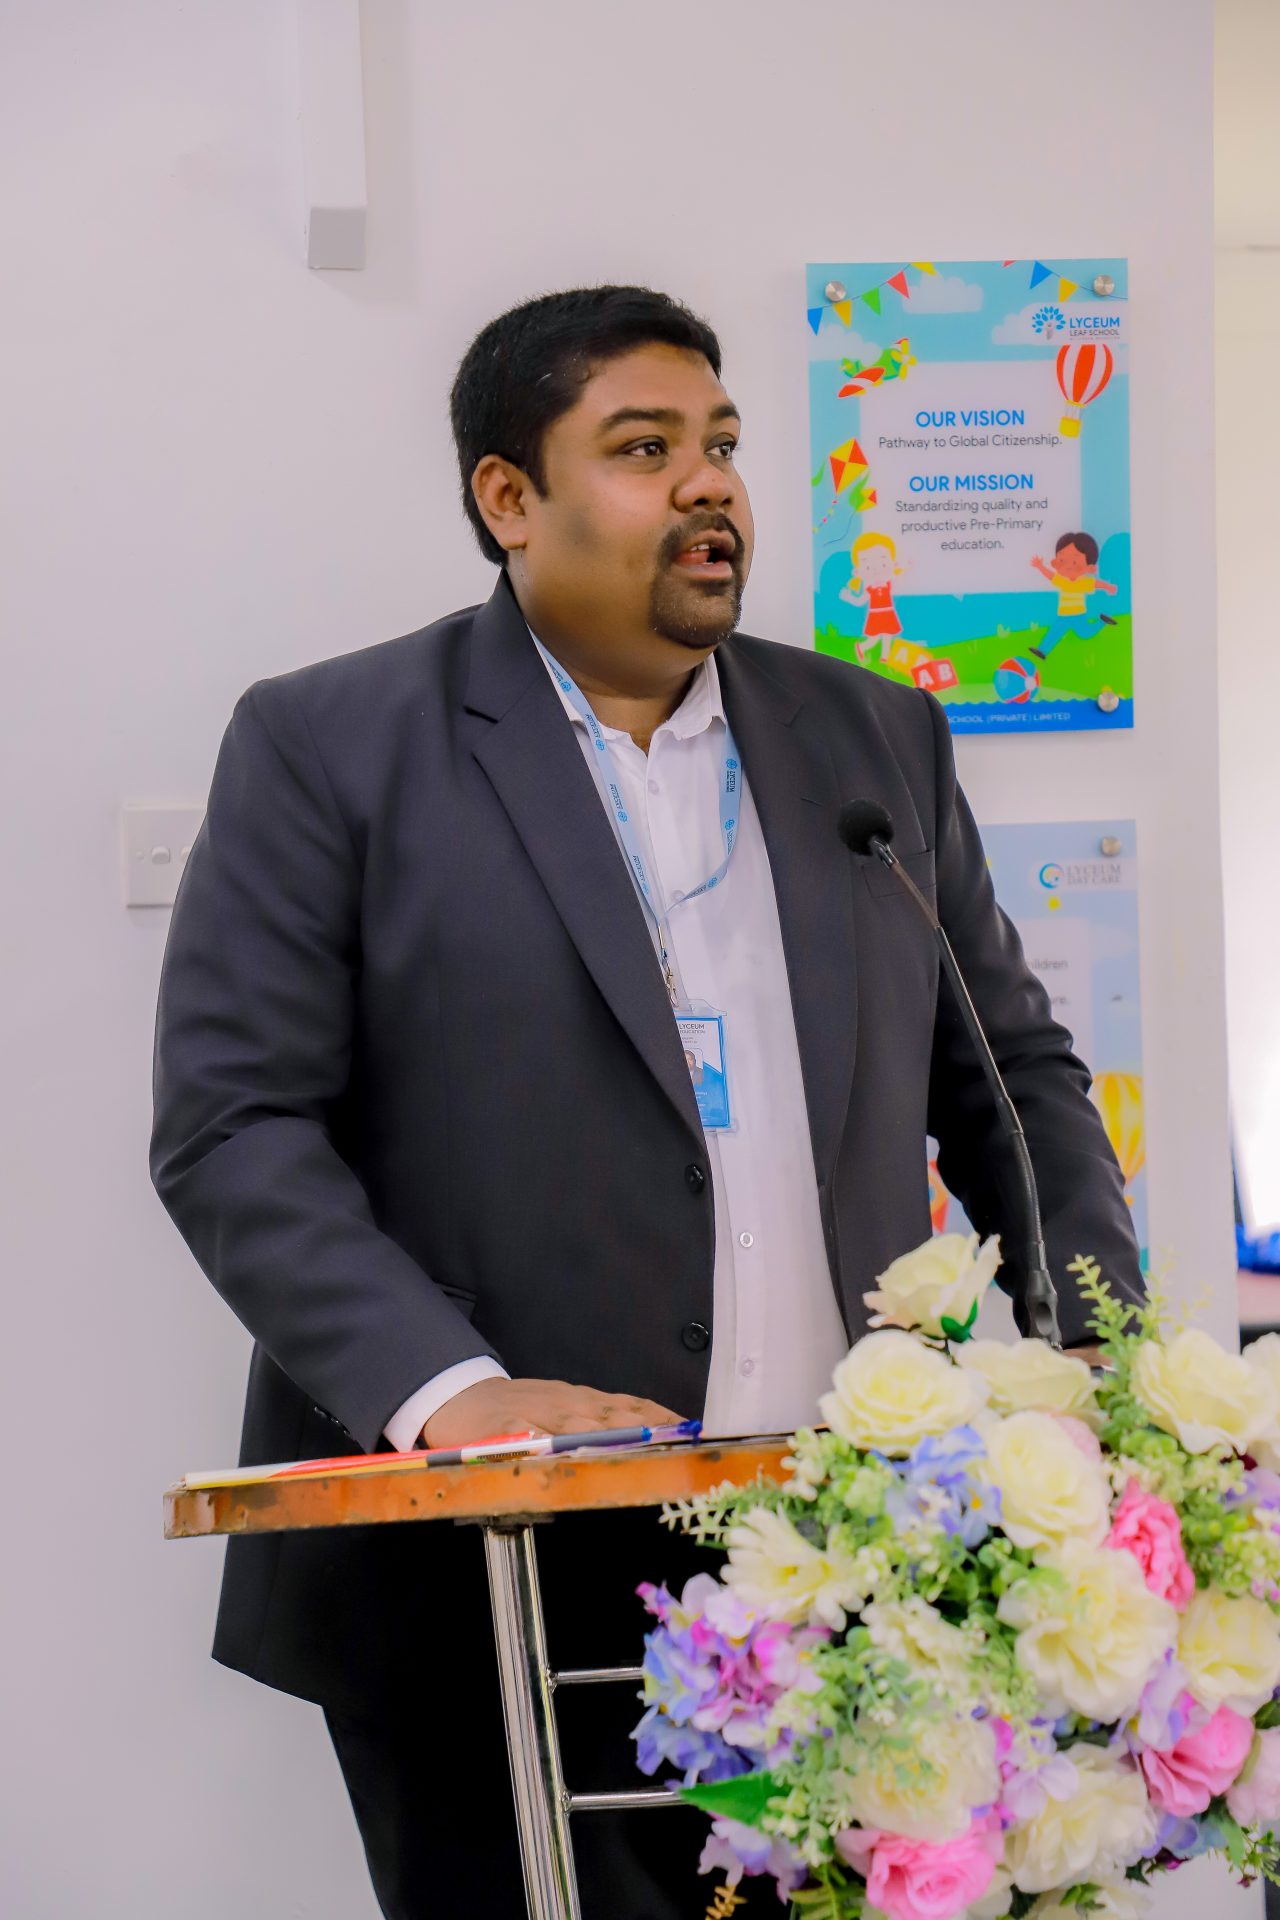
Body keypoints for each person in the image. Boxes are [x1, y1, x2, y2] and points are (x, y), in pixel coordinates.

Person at [150, 285, 1143, 1918]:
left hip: (845, 1553)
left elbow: (1013, 1074)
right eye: (642, 447)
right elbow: (233, 1123)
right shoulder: (333, 745)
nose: (709, 484)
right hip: (493, 1564)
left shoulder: (873, 738)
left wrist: (1092, 1333)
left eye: (722, 444)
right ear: (508, 497)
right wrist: (451, 1393)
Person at [1029, 531, 1120, 660]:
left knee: (1085, 633)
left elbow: (1096, 583)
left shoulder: (1083, 582)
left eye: (1075, 562)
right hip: (1063, 614)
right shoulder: (1062, 580)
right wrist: (1040, 566)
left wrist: (1108, 586)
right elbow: (1050, 575)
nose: (1068, 566)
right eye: (1062, 560)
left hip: (1078, 615)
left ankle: (1102, 621)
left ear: (1089, 567)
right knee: (1054, 632)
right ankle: (1042, 650)